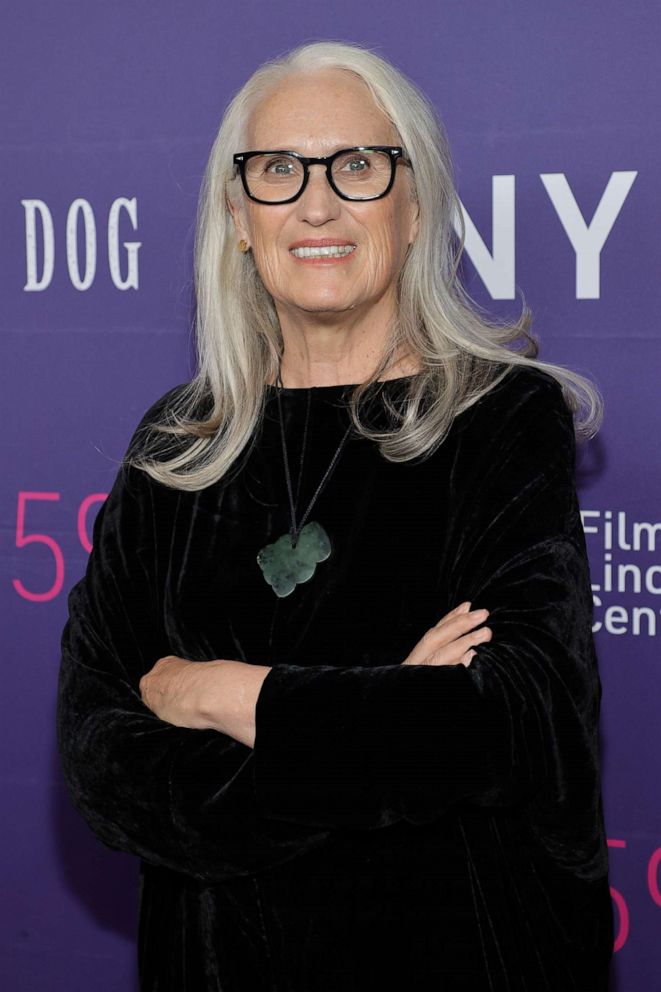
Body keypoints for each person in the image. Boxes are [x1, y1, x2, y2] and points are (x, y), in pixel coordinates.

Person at [57, 40, 614, 991]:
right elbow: (102, 759)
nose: (316, 203)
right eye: (278, 169)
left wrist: (220, 693)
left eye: (356, 165)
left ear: (414, 206)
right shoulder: (178, 442)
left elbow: (515, 725)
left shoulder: (498, 421)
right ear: (238, 217)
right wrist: (381, 713)